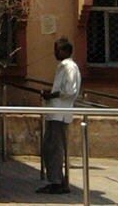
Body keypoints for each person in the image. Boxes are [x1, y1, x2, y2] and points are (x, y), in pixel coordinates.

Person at [37, 37, 81, 195]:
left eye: (58, 50)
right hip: (53, 112)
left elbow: (69, 91)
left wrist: (51, 95)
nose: (55, 53)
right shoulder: (62, 67)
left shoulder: (70, 67)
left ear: (65, 51)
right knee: (49, 147)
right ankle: (56, 179)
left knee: (55, 148)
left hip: (60, 114)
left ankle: (58, 183)